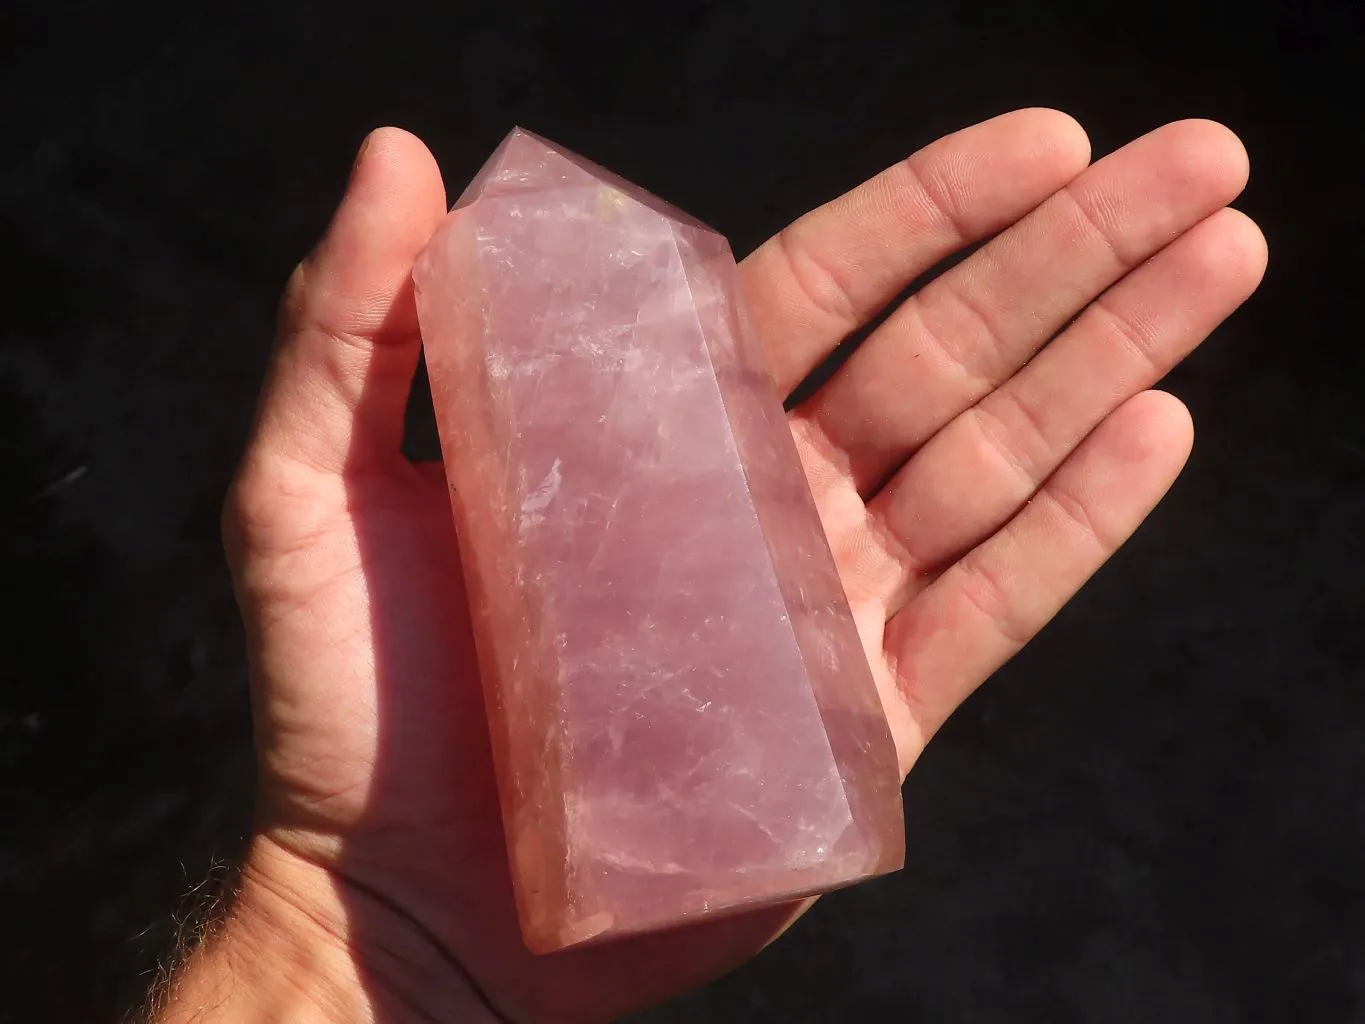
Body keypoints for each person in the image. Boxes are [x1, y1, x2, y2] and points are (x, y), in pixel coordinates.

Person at [152, 109, 1266, 1022]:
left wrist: (376, 953)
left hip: (737, 826)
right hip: (671, 847)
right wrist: (384, 939)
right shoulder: (548, 281)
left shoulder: (557, 267)